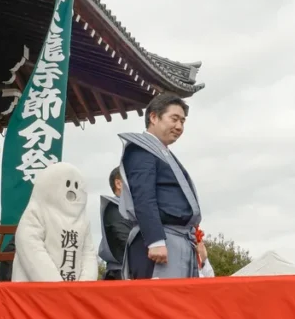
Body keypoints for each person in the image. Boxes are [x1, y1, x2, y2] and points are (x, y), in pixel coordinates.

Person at [118, 93, 202, 280]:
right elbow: (144, 196)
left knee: (181, 302)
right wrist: (155, 240)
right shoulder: (141, 149)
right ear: (153, 117)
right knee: (161, 303)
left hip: (180, 239)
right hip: (161, 239)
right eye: (174, 119)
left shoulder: (163, 153)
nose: (179, 126)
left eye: (182, 121)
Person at [11, 162, 98, 282]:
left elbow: (88, 253)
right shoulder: (36, 211)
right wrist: (55, 284)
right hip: (34, 292)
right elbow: (30, 248)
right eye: (67, 184)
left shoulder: (83, 221)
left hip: (72, 293)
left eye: (76, 186)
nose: (72, 189)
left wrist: (84, 284)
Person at [98, 167, 133, 280]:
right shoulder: (115, 209)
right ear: (119, 183)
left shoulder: (131, 210)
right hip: (122, 274)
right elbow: (125, 245)